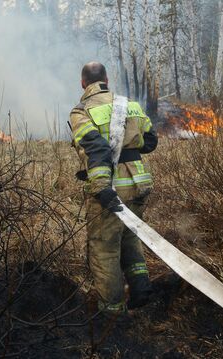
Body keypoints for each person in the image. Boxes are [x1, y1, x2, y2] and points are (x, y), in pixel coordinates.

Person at [69, 62, 158, 316]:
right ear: (106, 79)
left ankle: (112, 314)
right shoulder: (130, 104)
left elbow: (95, 150)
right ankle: (141, 288)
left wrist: (101, 187)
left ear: (83, 83)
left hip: (111, 188)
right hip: (139, 184)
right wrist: (129, 143)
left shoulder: (81, 111)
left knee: (104, 247)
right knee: (129, 235)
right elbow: (150, 142)